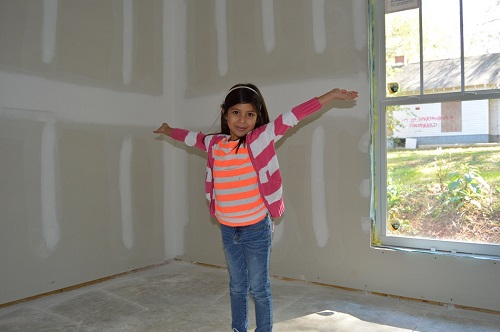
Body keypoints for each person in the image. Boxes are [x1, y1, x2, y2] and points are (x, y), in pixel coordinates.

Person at [154, 83, 358, 332]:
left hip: (256, 229)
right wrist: (168, 130)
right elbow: (191, 138)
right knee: (237, 286)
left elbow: (293, 116)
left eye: (250, 114)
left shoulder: (260, 139)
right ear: (224, 113)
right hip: (229, 230)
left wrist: (330, 96)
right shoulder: (215, 144)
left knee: (259, 289)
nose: (242, 120)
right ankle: (238, 328)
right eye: (236, 113)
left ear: (257, 116)